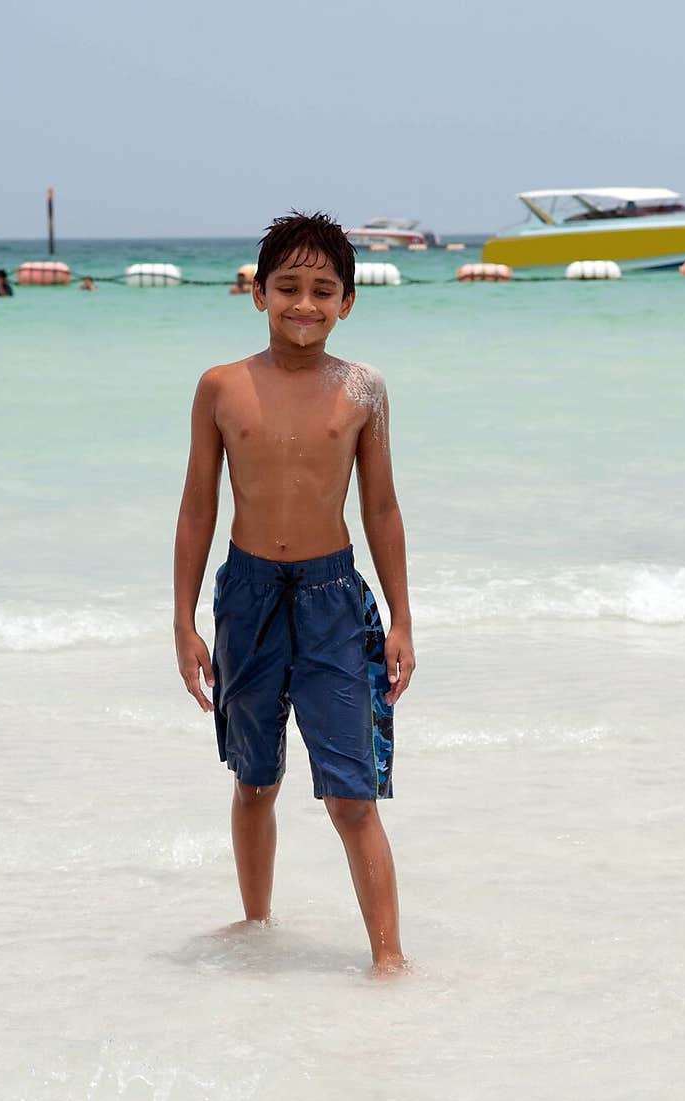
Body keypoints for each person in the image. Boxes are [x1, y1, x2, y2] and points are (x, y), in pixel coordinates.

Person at [174, 211, 415, 973]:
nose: (303, 305)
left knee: (352, 795)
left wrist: (403, 617)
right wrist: (183, 621)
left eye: (322, 290)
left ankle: (388, 960)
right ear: (258, 293)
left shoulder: (363, 390)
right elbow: (197, 507)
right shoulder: (221, 386)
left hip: (333, 598)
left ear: (348, 301)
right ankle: (255, 926)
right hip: (246, 595)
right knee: (254, 779)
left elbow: (380, 507)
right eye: (287, 287)